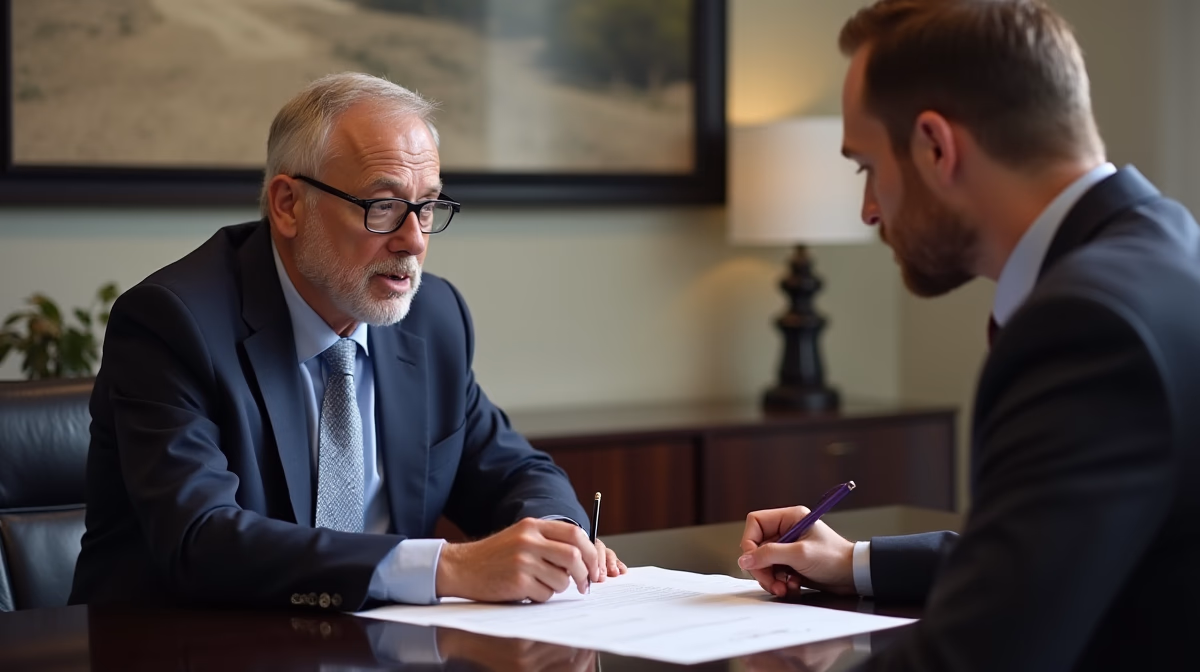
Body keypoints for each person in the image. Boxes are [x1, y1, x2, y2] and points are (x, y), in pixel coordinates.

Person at [738, 1, 1200, 670]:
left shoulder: (1088, 326)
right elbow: (1053, 550)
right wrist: (853, 563)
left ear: (934, 147)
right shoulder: (1168, 250)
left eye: (866, 167)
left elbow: (980, 652)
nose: (868, 210)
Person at [70, 72, 625, 611]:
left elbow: (512, 470)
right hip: (181, 647)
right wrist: (447, 568)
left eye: (427, 207)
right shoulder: (174, 323)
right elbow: (201, 540)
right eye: (382, 206)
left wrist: (559, 534)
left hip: (379, 648)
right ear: (288, 205)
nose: (413, 241)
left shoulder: (433, 318)